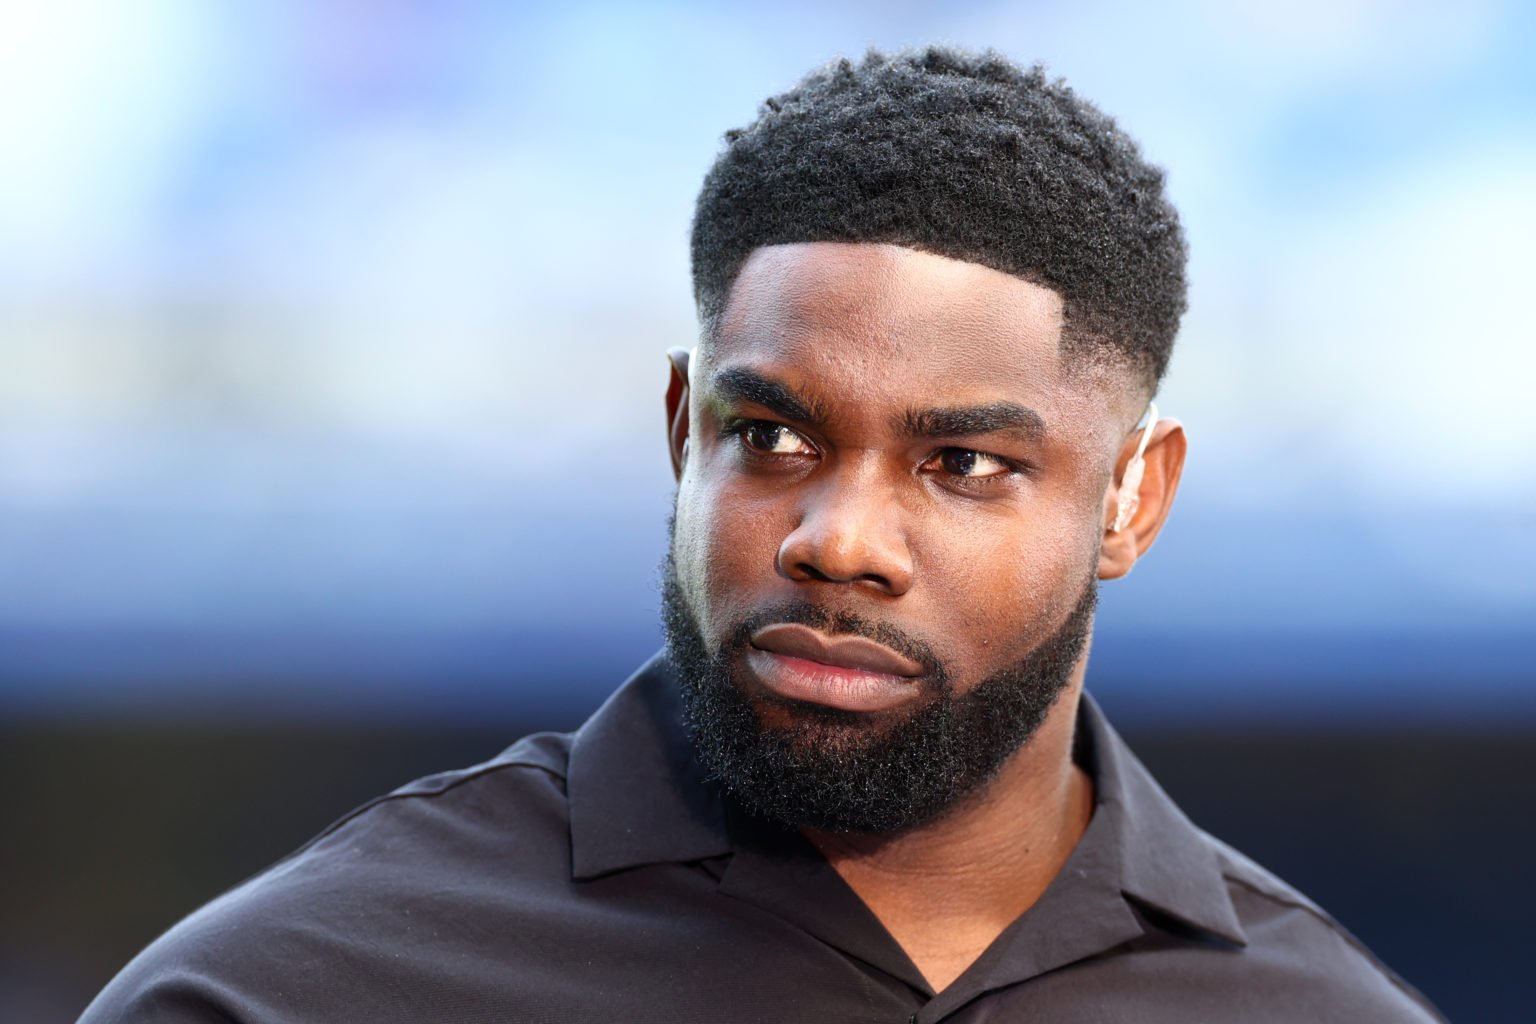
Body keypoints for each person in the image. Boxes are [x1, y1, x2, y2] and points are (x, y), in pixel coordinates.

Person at [82, 47, 1444, 1023]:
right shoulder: (301, 986)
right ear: (684, 428)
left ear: (1132, 500)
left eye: (963, 463)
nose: (840, 539)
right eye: (773, 437)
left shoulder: (1307, 1005)